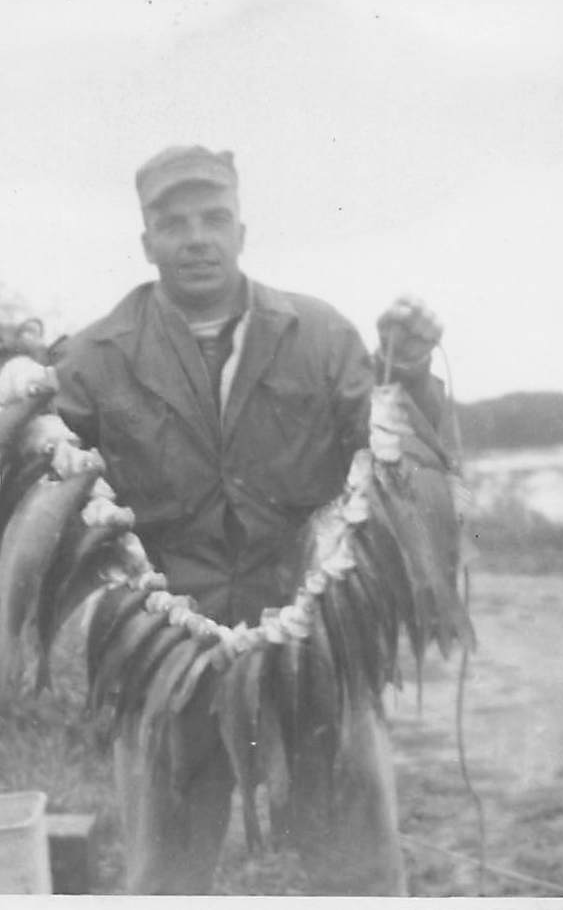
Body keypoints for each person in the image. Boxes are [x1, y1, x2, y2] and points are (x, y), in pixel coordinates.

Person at [51, 145, 453, 895]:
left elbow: (397, 455)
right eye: (174, 224)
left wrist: (410, 372)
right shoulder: (91, 357)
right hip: (164, 649)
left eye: (214, 219)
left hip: (313, 640)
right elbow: (37, 477)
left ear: (242, 231)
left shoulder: (321, 335)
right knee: (163, 879)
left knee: (359, 871)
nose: (196, 239)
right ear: (146, 242)